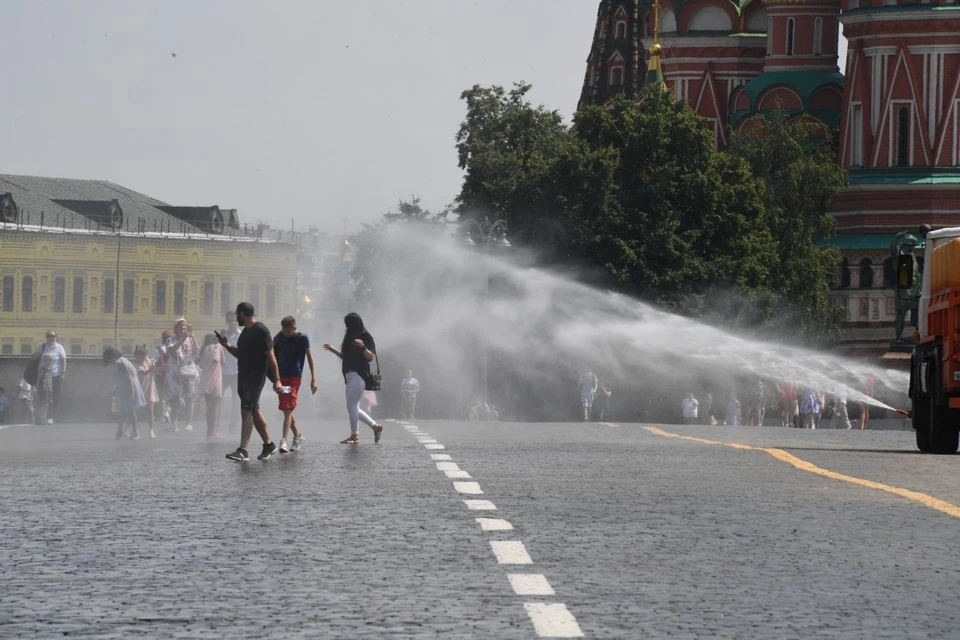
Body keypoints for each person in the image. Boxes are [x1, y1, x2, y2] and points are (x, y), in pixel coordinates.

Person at [218, 302, 282, 462]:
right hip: (244, 377)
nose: (235, 319)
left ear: (242, 314)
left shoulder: (261, 330)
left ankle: (243, 450)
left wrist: (277, 380)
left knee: (246, 410)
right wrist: (226, 345)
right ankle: (269, 444)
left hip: (255, 377)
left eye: (237, 315)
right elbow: (240, 354)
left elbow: (271, 357)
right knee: (253, 410)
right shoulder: (245, 333)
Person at [322, 312, 383, 445]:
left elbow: (370, 357)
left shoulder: (366, 336)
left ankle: (355, 436)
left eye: (348, 324)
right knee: (353, 407)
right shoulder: (350, 337)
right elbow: (347, 357)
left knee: (351, 406)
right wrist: (334, 351)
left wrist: (363, 346)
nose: (347, 327)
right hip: (349, 376)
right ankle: (375, 426)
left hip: (359, 375)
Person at [273, 315, 317, 453]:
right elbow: (272, 357)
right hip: (282, 378)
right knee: (287, 409)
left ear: (294, 328)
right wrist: (275, 378)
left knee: (287, 408)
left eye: (288, 332)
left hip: (294, 378)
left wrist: (313, 379)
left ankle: (283, 441)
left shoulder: (302, 338)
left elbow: (310, 358)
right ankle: (297, 436)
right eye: (284, 331)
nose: (286, 334)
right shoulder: (279, 337)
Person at [103, 347, 146, 440]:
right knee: (121, 411)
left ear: (111, 357)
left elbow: (128, 375)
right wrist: (115, 389)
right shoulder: (120, 361)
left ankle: (135, 432)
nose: (109, 362)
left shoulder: (119, 362)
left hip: (128, 388)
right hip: (125, 388)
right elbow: (121, 378)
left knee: (130, 410)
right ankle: (120, 431)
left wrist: (132, 389)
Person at [167, 319, 198, 432]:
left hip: (188, 371)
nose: (183, 327)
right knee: (175, 398)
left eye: (184, 326)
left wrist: (193, 337)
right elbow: (171, 350)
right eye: (180, 325)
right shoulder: (171, 339)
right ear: (176, 328)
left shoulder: (190, 339)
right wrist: (183, 339)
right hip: (175, 373)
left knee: (190, 398)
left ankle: (188, 423)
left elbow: (197, 352)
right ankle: (174, 423)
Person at [197, 334, 226, 439]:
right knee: (214, 408)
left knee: (209, 408)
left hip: (205, 380)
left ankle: (209, 430)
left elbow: (200, 365)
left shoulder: (203, 349)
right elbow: (223, 362)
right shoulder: (218, 347)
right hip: (216, 380)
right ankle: (213, 431)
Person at [35, 330, 66, 424]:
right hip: (44, 375)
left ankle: (51, 416)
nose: (51, 338)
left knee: (55, 396)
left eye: (53, 336)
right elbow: (35, 358)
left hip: (55, 375)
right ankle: (42, 417)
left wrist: (63, 372)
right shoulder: (42, 346)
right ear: (46, 337)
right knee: (43, 397)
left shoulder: (59, 347)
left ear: (56, 337)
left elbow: (63, 360)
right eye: (49, 336)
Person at [220, 312, 242, 431]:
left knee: (236, 400)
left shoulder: (242, 335)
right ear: (227, 322)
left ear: (237, 321)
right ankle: (216, 425)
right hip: (223, 372)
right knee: (218, 399)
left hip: (236, 372)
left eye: (234, 320)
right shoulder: (223, 335)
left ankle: (233, 425)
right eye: (229, 321)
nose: (232, 323)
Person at [134, 345, 159, 438]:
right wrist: (151, 369)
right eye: (141, 357)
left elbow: (154, 369)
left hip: (150, 386)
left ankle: (151, 430)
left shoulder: (148, 359)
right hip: (140, 388)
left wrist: (159, 368)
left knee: (150, 409)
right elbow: (144, 373)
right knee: (136, 410)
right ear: (136, 356)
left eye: (144, 357)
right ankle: (134, 429)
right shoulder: (136, 364)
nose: (143, 359)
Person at [152, 330, 174, 424]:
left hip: (160, 375)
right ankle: (167, 413)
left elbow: (153, 363)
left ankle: (162, 415)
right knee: (170, 396)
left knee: (161, 396)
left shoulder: (158, 349)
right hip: (172, 376)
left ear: (162, 339)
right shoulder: (175, 348)